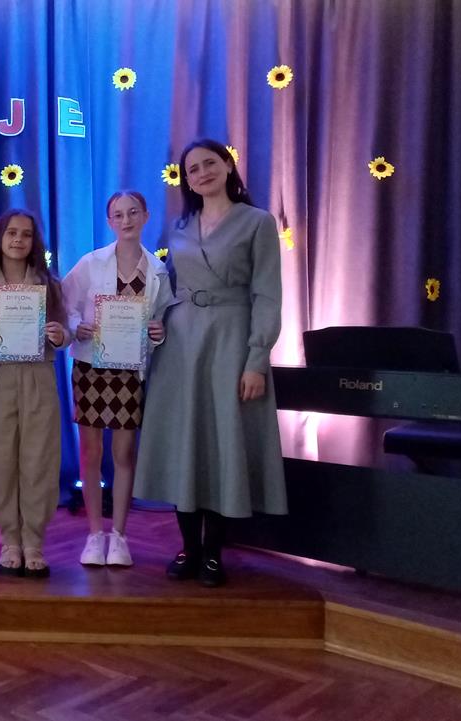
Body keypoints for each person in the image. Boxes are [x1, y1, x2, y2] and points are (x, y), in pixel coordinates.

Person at [134, 139, 286, 587]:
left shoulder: (258, 222)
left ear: (227, 165)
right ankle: (189, 547)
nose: (201, 173)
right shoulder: (180, 225)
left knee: (222, 442)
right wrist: (155, 321)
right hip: (180, 345)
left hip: (230, 340)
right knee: (185, 441)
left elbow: (268, 294)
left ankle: (214, 553)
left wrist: (257, 359)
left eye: (209, 163)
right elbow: (168, 287)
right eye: (192, 169)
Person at [62, 190, 173, 569]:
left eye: (133, 213)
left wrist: (159, 332)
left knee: (124, 453)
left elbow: (163, 321)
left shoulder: (158, 272)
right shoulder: (91, 263)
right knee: (90, 454)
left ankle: (120, 535)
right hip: (90, 368)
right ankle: (95, 534)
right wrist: (77, 326)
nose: (126, 220)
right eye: (119, 215)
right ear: (109, 221)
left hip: (130, 371)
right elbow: (65, 305)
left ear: (145, 216)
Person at [0, 209, 67, 577]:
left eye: (26, 234)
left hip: (40, 376)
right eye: (12, 233)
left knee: (39, 458)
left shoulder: (49, 286)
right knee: (1, 459)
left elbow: (66, 333)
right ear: (0, 238)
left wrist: (60, 336)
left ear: (34, 241)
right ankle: (9, 539)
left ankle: (34, 541)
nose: (18, 240)